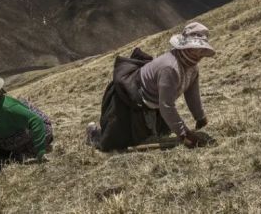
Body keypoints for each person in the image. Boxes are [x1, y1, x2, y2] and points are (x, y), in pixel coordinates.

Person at [87, 22, 214, 151]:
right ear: (186, 47)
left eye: (201, 49)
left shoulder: (192, 69)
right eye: (195, 48)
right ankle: (93, 134)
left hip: (153, 103)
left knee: (154, 135)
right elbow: (166, 105)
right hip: (129, 98)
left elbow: (192, 94)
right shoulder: (170, 68)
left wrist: (200, 117)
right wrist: (184, 134)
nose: (200, 53)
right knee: (114, 144)